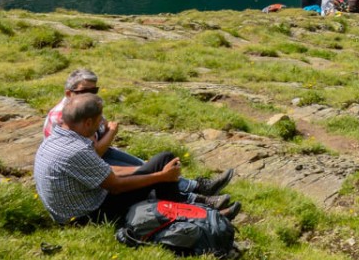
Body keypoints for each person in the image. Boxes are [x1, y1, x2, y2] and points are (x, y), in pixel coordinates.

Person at [33, 94, 240, 225]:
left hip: (76, 208)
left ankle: (195, 207)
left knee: (162, 162)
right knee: (163, 168)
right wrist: (160, 176)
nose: (102, 123)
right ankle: (204, 215)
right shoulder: (76, 149)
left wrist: (150, 171)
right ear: (87, 122)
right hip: (86, 217)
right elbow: (116, 186)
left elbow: (105, 171)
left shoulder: (56, 138)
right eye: (99, 120)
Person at [43, 70, 232, 200]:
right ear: (69, 92)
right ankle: (191, 196)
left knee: (145, 165)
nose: (92, 94)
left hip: (97, 152)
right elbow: (92, 156)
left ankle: (194, 188)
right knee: (151, 171)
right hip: (91, 161)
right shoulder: (64, 116)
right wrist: (112, 133)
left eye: (95, 90)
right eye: (86, 91)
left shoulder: (83, 106)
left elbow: (97, 135)